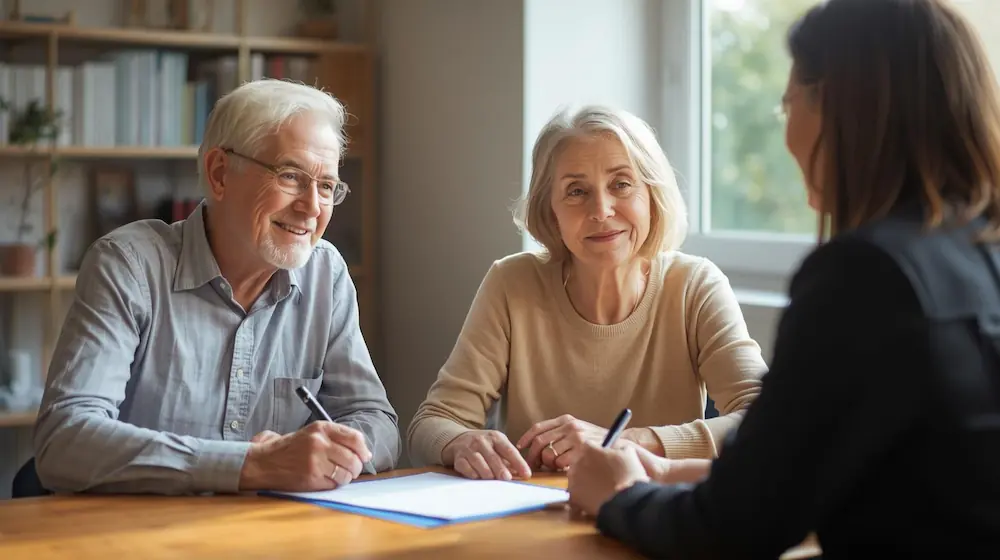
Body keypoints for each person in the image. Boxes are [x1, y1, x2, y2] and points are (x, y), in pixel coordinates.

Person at [566, 0, 1000, 557]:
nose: (787, 130)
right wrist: (669, 472)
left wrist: (619, 497)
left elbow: (733, 529)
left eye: (787, 104)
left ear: (842, 109)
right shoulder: (975, 253)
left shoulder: (867, 278)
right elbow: (847, 473)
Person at [32, 79, 401, 495]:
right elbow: (64, 440)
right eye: (291, 176)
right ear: (220, 173)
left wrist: (335, 451)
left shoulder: (325, 274)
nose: (312, 207)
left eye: (327, 186)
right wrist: (251, 465)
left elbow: (376, 421)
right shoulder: (130, 265)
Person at [407, 105, 768, 481]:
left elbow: (765, 420)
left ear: (652, 195)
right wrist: (461, 442)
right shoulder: (511, 283)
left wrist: (632, 442)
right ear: (551, 212)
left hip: (657, 519)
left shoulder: (696, 285)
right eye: (576, 191)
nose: (601, 209)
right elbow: (433, 423)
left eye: (621, 184)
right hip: (533, 518)